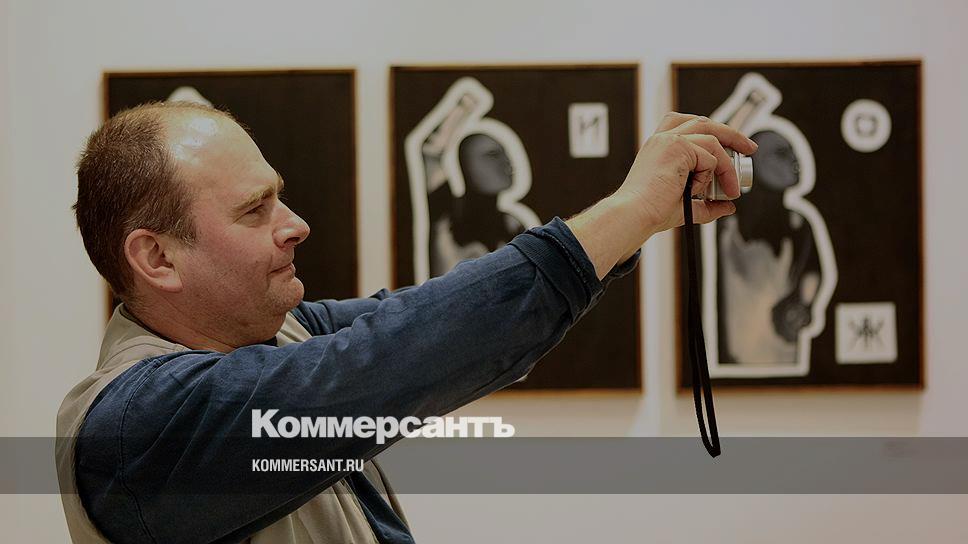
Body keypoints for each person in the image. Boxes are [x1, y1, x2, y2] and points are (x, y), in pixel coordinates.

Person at [55, 102, 756, 544]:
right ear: (157, 258)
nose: (295, 225)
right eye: (253, 210)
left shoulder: (281, 333)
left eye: (280, 199)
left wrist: (636, 221)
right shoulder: (135, 428)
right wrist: (628, 212)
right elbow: (402, 352)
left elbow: (441, 322)